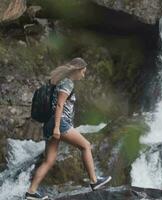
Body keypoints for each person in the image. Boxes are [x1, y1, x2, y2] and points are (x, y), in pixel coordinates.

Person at [25, 57, 112, 200]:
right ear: (77, 70)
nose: (84, 75)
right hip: (60, 123)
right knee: (86, 146)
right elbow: (59, 105)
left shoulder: (61, 82)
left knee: (49, 161)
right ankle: (94, 182)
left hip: (49, 123)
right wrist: (58, 128)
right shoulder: (67, 83)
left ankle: (31, 192)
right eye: (83, 72)